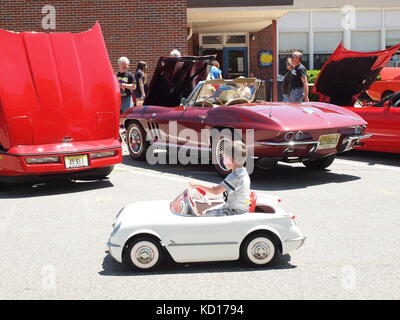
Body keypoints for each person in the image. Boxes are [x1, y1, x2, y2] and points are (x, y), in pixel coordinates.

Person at [189, 140, 251, 216]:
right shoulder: (242, 172)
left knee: (203, 215)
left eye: (224, 158)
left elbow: (215, 190)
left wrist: (197, 184)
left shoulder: (236, 177)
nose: (223, 160)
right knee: (206, 210)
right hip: (233, 208)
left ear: (230, 160)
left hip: (234, 212)